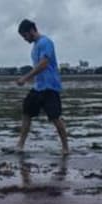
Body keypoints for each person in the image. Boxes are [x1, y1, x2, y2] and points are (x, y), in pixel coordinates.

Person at [14, 19, 70, 155]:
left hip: (50, 87)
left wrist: (25, 78)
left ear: (32, 30)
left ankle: (66, 148)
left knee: (55, 117)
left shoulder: (46, 42)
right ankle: (20, 145)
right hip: (38, 87)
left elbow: (43, 64)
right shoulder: (35, 46)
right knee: (26, 112)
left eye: (25, 36)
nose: (25, 39)